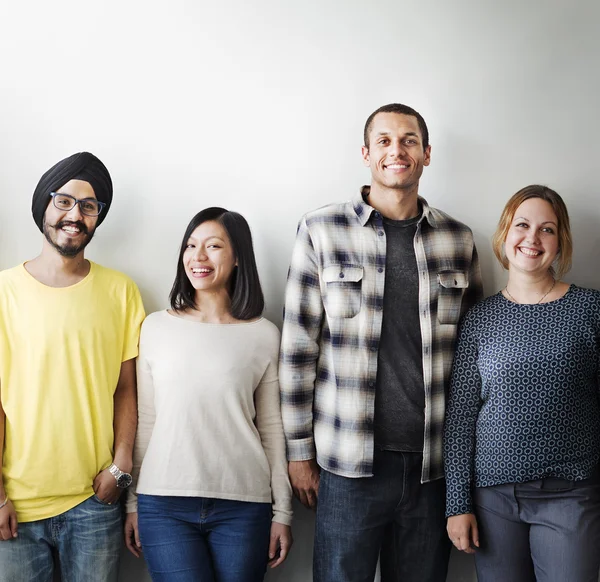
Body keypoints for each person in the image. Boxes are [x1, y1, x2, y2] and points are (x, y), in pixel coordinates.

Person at [279, 103, 483, 581]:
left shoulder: (458, 240)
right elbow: (297, 350)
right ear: (367, 153)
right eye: (386, 141)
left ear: (427, 154)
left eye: (410, 140)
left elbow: (475, 361)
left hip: (433, 466)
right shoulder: (321, 230)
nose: (398, 150)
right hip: (348, 464)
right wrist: (298, 453)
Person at [124, 207, 293, 582]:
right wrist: (132, 502)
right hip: (163, 505)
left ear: (237, 260)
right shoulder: (155, 328)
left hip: (244, 504)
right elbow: (146, 421)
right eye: (191, 245)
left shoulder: (263, 334)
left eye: (213, 246)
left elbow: (271, 429)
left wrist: (282, 513)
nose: (197, 257)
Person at [0, 152, 145, 582]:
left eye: (89, 206)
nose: (75, 215)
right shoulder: (4, 291)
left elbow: (126, 390)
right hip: (16, 506)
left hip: (94, 502)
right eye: (64, 201)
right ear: (43, 206)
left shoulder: (121, 291)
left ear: (98, 218)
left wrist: (121, 468)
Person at [444, 185, 600, 581]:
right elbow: (461, 417)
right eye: (522, 225)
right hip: (493, 498)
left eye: (547, 230)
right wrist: (457, 504)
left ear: (560, 242)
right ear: (504, 234)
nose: (532, 238)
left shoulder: (591, 309)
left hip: (570, 493)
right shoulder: (480, 317)